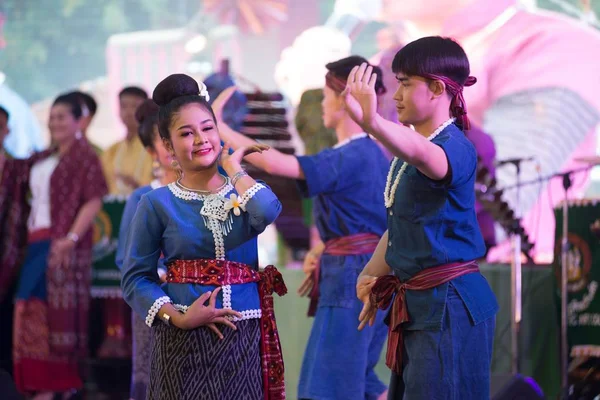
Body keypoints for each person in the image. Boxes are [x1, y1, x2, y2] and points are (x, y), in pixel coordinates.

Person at [213, 55, 389, 400]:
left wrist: (219, 127)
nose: (322, 104)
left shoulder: (355, 153)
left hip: (353, 273)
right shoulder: (369, 152)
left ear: (344, 97)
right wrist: (322, 248)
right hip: (359, 267)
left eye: (325, 96)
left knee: (334, 379)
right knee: (359, 375)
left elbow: (275, 162)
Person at [347, 37, 498, 399]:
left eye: (405, 82)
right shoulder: (408, 150)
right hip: (421, 303)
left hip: (450, 304)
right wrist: (372, 272)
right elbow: (401, 225)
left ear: (436, 88)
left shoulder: (455, 147)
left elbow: (427, 156)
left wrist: (373, 122)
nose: (396, 93)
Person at [120, 73, 286, 400]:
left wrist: (234, 168)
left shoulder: (242, 191)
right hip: (182, 338)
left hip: (245, 332)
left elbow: (267, 212)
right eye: (186, 133)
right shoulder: (155, 203)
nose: (200, 139)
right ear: (167, 145)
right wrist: (179, 318)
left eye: (208, 128)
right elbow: (135, 278)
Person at [11, 92, 107, 399]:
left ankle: (54, 386)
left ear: (80, 121)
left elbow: (93, 200)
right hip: (35, 241)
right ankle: (39, 384)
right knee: (27, 310)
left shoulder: (85, 157)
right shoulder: (43, 158)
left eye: (62, 116)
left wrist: (71, 238)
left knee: (51, 315)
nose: (55, 123)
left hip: (62, 242)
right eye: (52, 117)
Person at [115, 99, 176, 400]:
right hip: (154, 303)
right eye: (164, 141)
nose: (174, 147)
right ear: (152, 150)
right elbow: (125, 259)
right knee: (154, 376)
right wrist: (163, 274)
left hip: (198, 298)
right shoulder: (142, 197)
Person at [101, 86, 154, 195]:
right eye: (123, 106)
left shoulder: (154, 147)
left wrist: (136, 186)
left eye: (135, 106)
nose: (129, 112)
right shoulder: (111, 151)